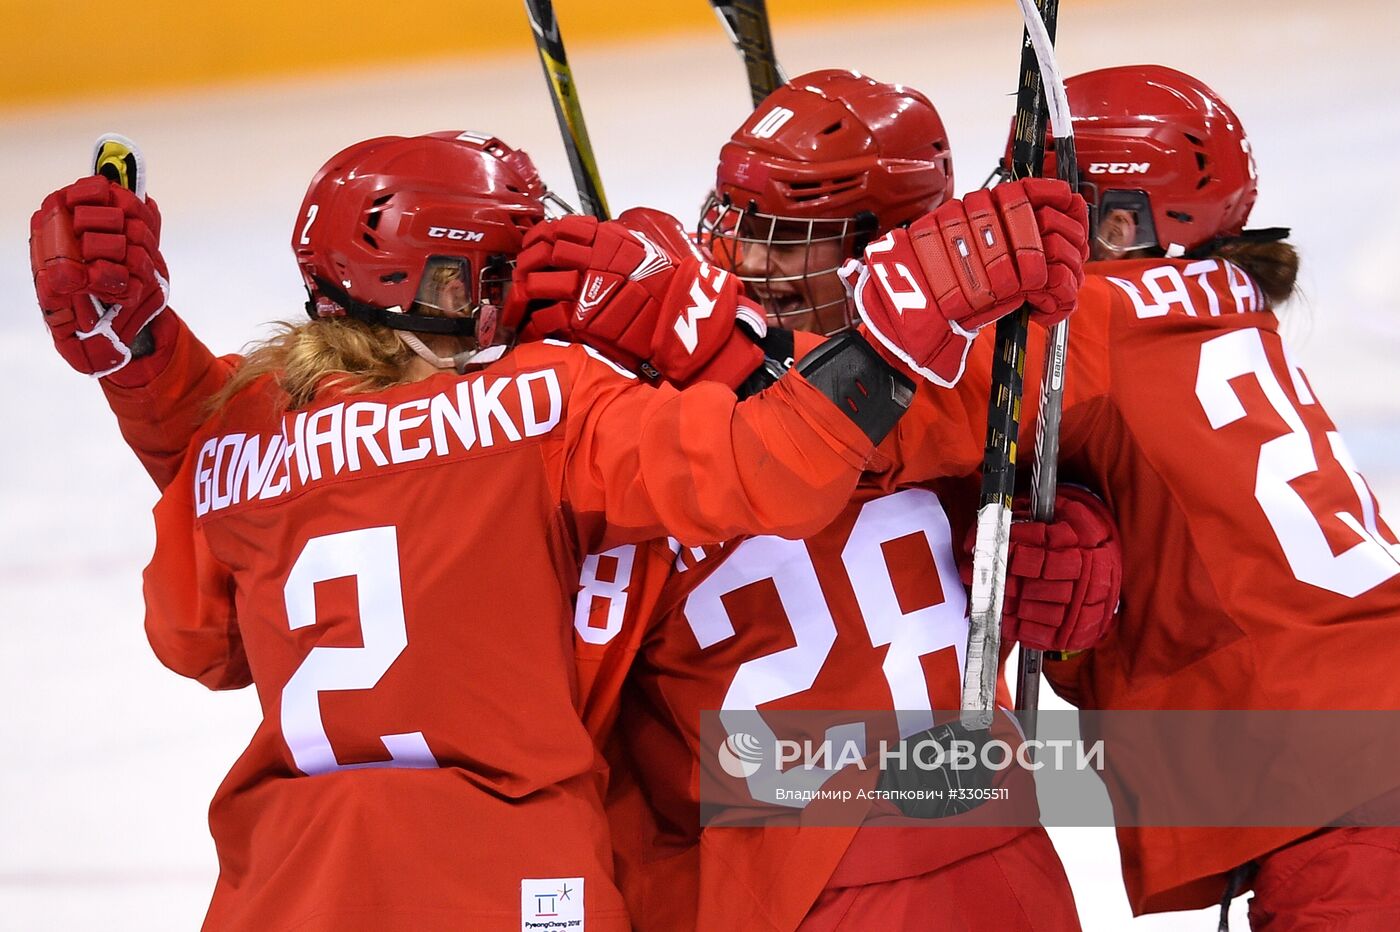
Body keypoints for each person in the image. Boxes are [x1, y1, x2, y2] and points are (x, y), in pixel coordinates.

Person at [28, 128, 1084, 930]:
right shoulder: (544, 403)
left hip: (287, 877)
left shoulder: (242, 442)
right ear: (450, 287)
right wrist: (897, 330)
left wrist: (146, 367)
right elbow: (771, 469)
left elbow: (193, 638)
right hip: (511, 866)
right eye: (507, 267)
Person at [504, 69, 1110, 931]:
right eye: (738, 220)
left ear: (890, 248)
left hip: (782, 875)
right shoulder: (986, 379)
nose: (749, 258)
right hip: (989, 852)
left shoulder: (640, 382)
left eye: (790, 237)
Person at [947, 64, 1400, 929]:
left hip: (1346, 794)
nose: (1015, 220)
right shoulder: (1221, 304)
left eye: (1051, 200)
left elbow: (883, 418)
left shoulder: (1095, 321)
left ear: (1119, 226)